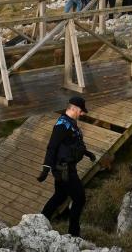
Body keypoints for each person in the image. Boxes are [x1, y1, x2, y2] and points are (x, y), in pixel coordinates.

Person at [37, 96, 95, 237]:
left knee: (60, 195)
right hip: (64, 169)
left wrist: (87, 153)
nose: (82, 114)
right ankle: (74, 233)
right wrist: (46, 168)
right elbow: (52, 147)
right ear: (74, 108)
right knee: (79, 198)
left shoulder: (70, 123)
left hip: (66, 167)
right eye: (81, 111)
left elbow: (71, 144)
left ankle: (39, 223)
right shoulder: (62, 125)